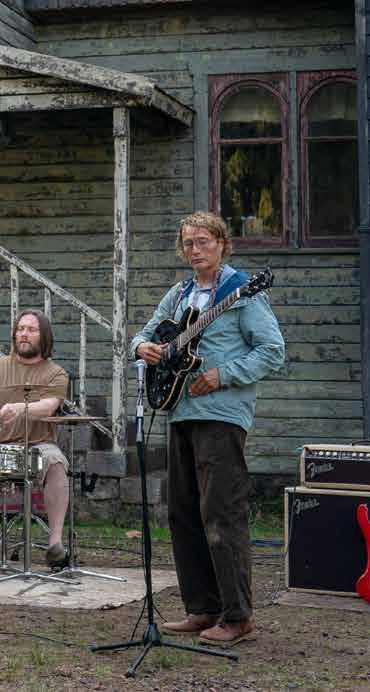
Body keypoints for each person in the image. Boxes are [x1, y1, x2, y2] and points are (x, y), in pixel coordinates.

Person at [130, 211, 285, 647]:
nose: (195, 249)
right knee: (183, 513)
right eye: (188, 243)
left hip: (221, 415)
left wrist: (223, 375)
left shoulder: (243, 292)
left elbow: (272, 350)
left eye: (203, 241)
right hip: (180, 411)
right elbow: (142, 335)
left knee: (221, 513)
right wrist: (143, 347)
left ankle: (238, 616)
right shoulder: (179, 294)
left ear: (221, 244)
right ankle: (202, 608)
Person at [0, 309, 72, 565]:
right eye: (20, 329)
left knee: (57, 462)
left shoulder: (56, 373)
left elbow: (49, 406)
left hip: (38, 446)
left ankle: (55, 544)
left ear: (44, 336)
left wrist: (20, 408)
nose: (24, 334)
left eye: (31, 330)